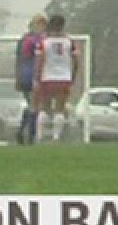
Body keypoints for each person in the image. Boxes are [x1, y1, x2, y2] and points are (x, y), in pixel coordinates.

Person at [33, 14, 82, 142]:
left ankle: (40, 136)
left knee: (44, 107)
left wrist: (37, 79)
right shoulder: (69, 42)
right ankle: (56, 137)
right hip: (64, 78)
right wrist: (73, 76)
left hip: (47, 78)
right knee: (60, 108)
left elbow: (39, 61)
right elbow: (76, 60)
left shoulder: (44, 42)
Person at [13, 14, 47, 145]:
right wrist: (19, 77)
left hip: (38, 75)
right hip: (29, 76)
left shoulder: (42, 39)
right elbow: (21, 59)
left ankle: (23, 133)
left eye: (43, 24)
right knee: (34, 106)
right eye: (39, 24)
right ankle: (29, 136)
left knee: (33, 106)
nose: (41, 27)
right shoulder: (28, 40)